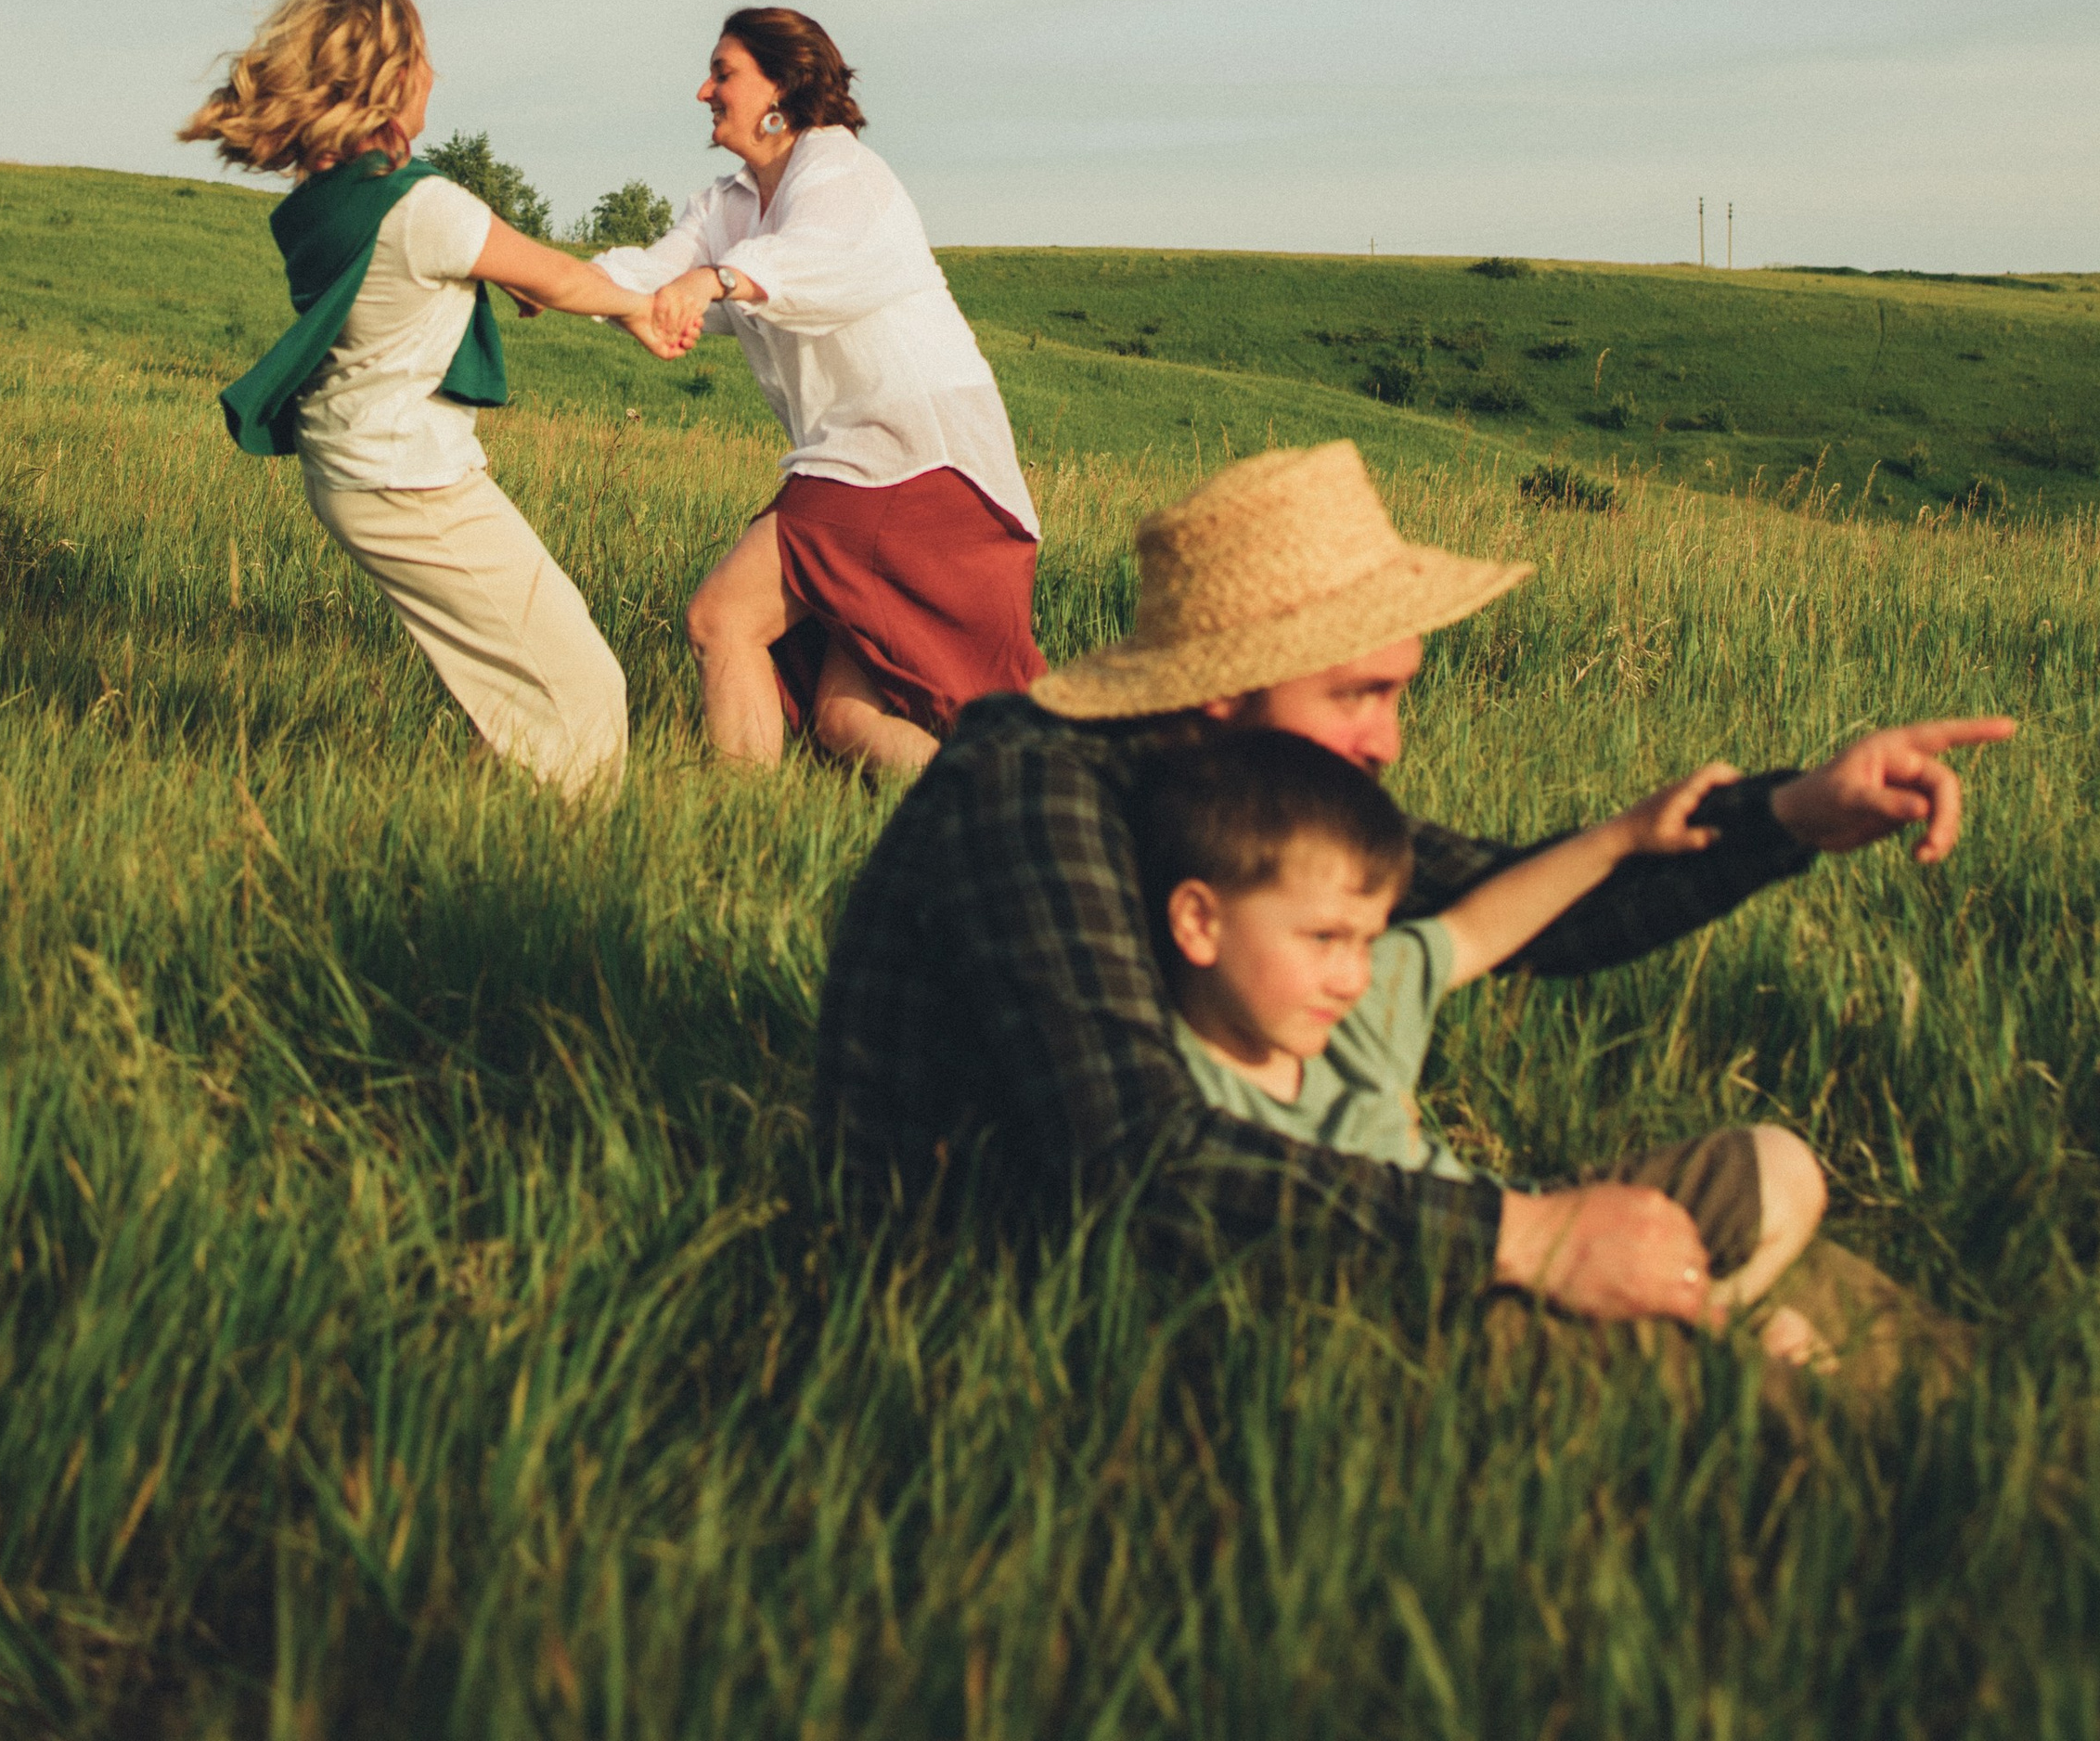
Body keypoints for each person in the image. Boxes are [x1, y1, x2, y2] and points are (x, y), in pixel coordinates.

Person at [814, 436, 2014, 1327]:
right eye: (1359, 695)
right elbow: (1134, 1161)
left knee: (1764, 1199)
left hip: (1290, 1244)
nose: (1386, 740)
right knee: (1705, 1325)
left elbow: (1513, 902)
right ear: (1229, 690)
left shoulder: (1251, 790)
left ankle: (1761, 1340)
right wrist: (1526, 1235)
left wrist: (1797, 812)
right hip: (1079, 1304)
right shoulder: (1033, 792)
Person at [1133, 727, 1828, 1360]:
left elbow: (1472, 930)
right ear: (1199, 920)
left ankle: (1702, 1317)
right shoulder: (1175, 1094)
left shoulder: (1353, 1010)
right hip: (1430, 1317)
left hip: (1529, 1233)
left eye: (1368, 940)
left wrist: (1622, 837)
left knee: (1781, 1167)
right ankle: (1703, 1339)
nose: (1351, 975)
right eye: (1323, 939)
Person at [183, 0, 650, 797]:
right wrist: (645, 311)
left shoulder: (330, 198)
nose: (436, 72)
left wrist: (491, 274)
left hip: (358, 468)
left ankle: (456, 838)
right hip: (411, 479)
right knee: (580, 692)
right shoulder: (427, 208)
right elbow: (559, 279)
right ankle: (555, 876)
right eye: (424, 57)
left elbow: (416, 248)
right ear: (394, 80)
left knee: (512, 690)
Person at [600, 7, 1040, 780]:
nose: (705, 89)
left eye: (724, 72)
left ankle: (740, 827)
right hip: (870, 464)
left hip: (912, 459)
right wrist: (539, 276)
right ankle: (995, 817)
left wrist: (719, 280)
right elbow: (651, 273)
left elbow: (815, 263)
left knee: (721, 619)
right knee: (845, 718)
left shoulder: (842, 175)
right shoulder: (730, 203)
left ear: (783, 86)